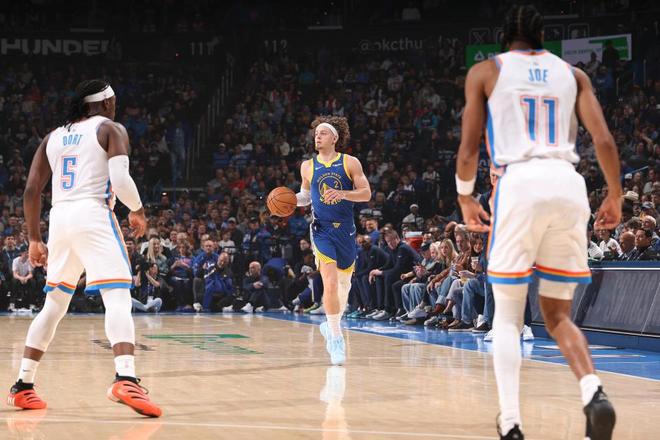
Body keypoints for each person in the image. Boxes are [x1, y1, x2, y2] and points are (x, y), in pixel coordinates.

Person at [455, 6, 619, 439]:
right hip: (568, 183)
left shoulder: (486, 71)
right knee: (558, 315)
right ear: (543, 35)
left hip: (520, 183)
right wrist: (615, 194)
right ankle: (593, 391)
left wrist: (465, 196)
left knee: (508, 317)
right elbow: (603, 139)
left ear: (503, 37)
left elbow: (469, 149)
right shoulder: (573, 74)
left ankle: (511, 422)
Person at [7, 80, 161, 416]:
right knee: (118, 296)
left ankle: (23, 386)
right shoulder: (110, 129)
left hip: (60, 219)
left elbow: (31, 191)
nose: (116, 106)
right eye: (114, 101)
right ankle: (126, 378)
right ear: (105, 103)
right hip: (93, 214)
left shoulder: (53, 137)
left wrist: (34, 238)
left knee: (54, 304)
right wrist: (137, 209)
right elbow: (120, 180)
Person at [294, 115, 371, 365]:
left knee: (343, 286)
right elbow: (306, 197)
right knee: (329, 282)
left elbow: (366, 194)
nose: (317, 137)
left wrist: (343, 193)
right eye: (316, 134)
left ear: (334, 138)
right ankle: (336, 338)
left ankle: (331, 325)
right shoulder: (308, 166)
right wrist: (289, 201)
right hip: (322, 230)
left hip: (345, 230)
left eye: (323, 133)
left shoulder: (350, 162)